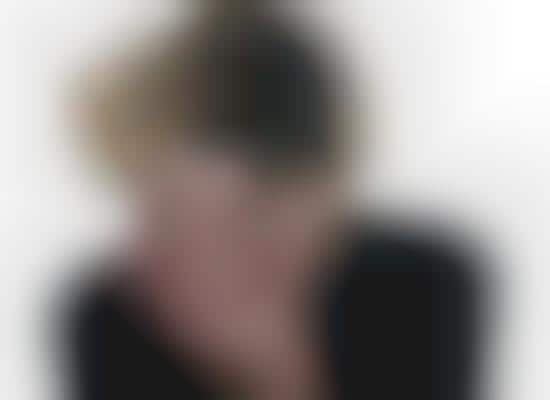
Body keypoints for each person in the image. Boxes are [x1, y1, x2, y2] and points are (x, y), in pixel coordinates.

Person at [67, 1, 482, 399]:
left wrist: (274, 366)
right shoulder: (111, 319)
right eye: (164, 217)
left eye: (250, 214)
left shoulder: (421, 287)